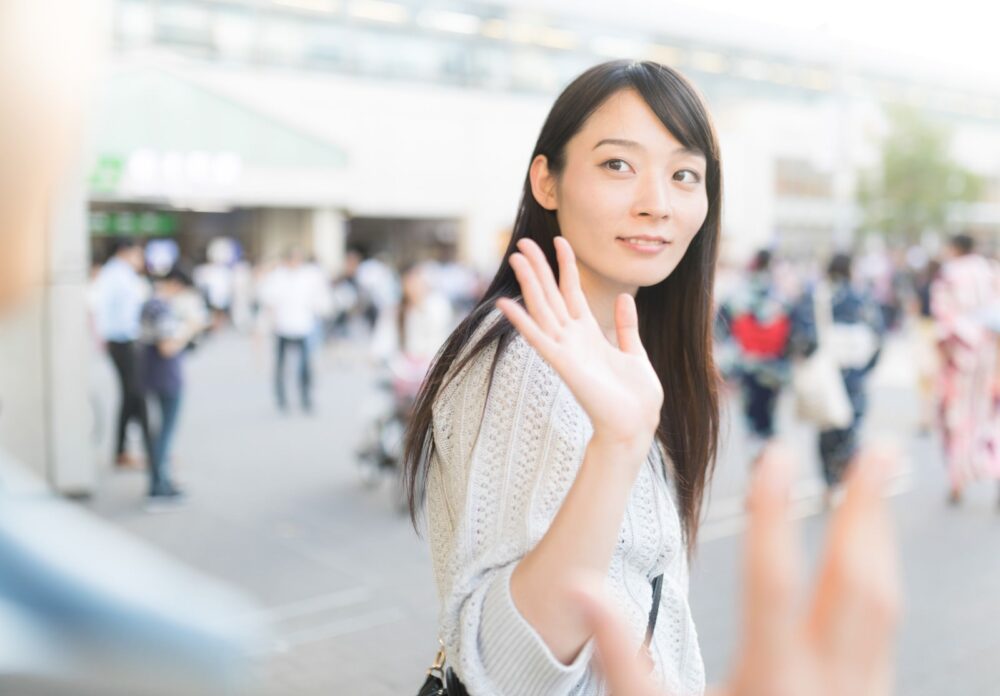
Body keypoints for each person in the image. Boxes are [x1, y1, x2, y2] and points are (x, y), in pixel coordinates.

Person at [401, 60, 899, 696]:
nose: (657, 204)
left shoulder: (619, 349)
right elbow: (506, 670)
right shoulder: (526, 360)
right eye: (617, 165)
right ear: (546, 181)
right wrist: (617, 445)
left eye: (685, 175)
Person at [794, 253, 884, 507]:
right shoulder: (861, 296)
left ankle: (829, 483)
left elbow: (804, 334)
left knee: (827, 425)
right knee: (851, 425)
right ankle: (847, 477)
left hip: (827, 368)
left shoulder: (818, 295)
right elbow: (877, 333)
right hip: (855, 370)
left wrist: (808, 357)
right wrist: (869, 365)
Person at [931, 233, 1000, 506]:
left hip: (960, 357)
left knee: (957, 418)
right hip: (991, 355)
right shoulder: (991, 271)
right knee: (991, 419)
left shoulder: (949, 274)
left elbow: (943, 318)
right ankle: (996, 476)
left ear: (954, 248)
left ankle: (957, 480)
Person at [138, 266, 203, 506]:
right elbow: (168, 347)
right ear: (176, 284)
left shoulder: (149, 304)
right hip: (166, 376)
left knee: (159, 432)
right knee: (165, 433)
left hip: (151, 374)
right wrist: (190, 328)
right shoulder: (162, 308)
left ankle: (161, 482)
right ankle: (158, 487)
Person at [718, 249, 795, 441]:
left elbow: (723, 322)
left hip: (748, 360)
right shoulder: (779, 292)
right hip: (774, 361)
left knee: (752, 410)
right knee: (768, 411)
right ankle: (767, 444)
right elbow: (792, 325)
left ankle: (757, 447)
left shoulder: (742, 289)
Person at [92, 237, 154, 469]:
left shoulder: (120, 274)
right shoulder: (116, 275)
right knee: (135, 395)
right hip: (122, 342)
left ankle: (127, 451)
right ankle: (147, 451)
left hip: (123, 341)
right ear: (125, 251)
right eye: (138, 253)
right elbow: (107, 310)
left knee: (131, 397)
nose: (140, 259)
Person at [258, 248, 330, 413]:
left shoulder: (309, 277)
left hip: (303, 326)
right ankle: (281, 397)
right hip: (282, 326)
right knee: (281, 365)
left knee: (305, 365)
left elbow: (319, 300)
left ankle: (305, 396)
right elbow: (268, 299)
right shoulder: (277, 276)